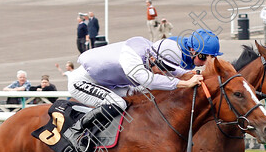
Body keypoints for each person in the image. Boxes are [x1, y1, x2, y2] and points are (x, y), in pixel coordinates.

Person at [68, 36, 203, 137]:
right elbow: (148, 80)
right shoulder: (131, 59)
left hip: (105, 82)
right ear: (153, 59)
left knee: (139, 96)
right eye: (163, 68)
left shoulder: (153, 51)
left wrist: (188, 74)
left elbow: (171, 69)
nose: (164, 72)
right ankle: (77, 133)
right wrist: (185, 83)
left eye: (168, 68)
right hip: (82, 82)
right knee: (118, 103)